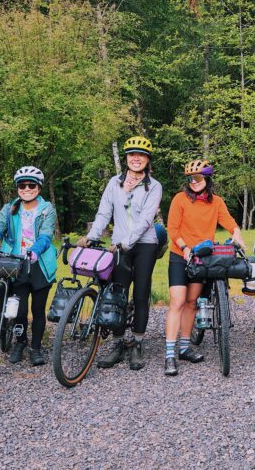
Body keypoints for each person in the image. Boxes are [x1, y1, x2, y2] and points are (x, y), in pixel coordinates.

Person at [78, 136, 162, 371]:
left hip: (144, 244)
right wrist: (92, 236)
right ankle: (117, 344)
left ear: (147, 159)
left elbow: (147, 219)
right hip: (118, 246)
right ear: (126, 158)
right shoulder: (114, 183)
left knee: (141, 292)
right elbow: (104, 213)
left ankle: (137, 343)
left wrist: (126, 242)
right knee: (117, 293)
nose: (136, 158)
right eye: (132, 155)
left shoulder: (153, 186)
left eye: (141, 155)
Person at [164, 159, 246, 376]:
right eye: (190, 178)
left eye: (198, 178)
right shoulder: (179, 199)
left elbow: (228, 221)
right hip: (180, 255)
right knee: (178, 301)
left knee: (192, 302)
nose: (194, 182)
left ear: (207, 179)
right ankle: (170, 354)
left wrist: (236, 233)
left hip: (202, 258)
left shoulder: (216, 202)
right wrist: (184, 247)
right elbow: (172, 228)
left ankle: (184, 347)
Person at [0, 166, 58, 366]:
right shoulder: (9, 208)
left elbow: (46, 236)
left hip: (39, 265)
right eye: (22, 185)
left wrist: (34, 251)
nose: (27, 188)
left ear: (39, 187)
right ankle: (20, 342)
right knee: (18, 310)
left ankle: (35, 348)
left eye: (31, 185)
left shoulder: (47, 210)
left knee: (38, 309)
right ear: (17, 187)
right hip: (15, 265)